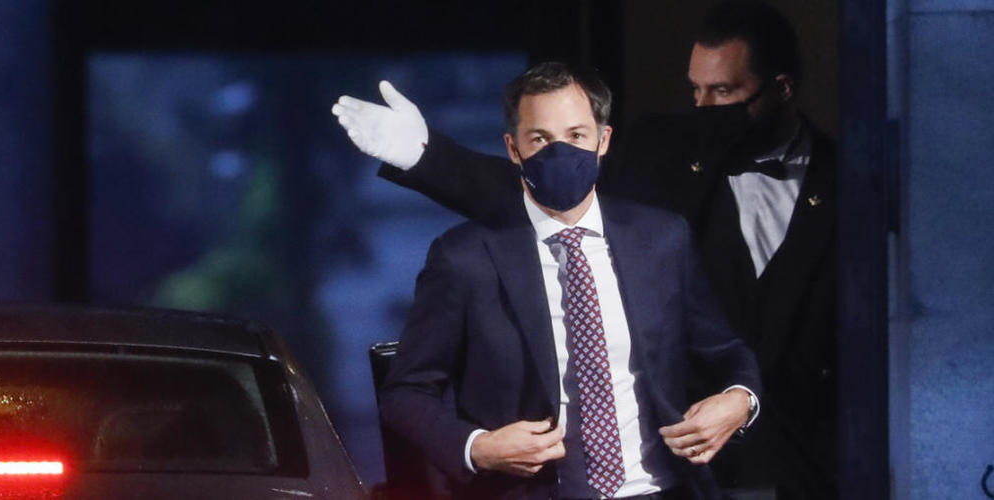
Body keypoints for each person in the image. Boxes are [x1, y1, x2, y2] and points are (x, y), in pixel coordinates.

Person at [333, 2, 837, 497]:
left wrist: (742, 399)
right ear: (514, 148)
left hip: (788, 453)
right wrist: (425, 155)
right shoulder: (662, 152)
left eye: (723, 92)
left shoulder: (842, 180)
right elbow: (543, 191)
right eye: (695, 91)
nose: (704, 111)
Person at [371, 62, 761, 500]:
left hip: (663, 488)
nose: (561, 153)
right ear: (513, 148)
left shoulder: (662, 239)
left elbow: (727, 350)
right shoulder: (463, 259)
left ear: (603, 140)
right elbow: (405, 393)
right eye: (540, 139)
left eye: (576, 136)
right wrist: (477, 447)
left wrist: (740, 400)